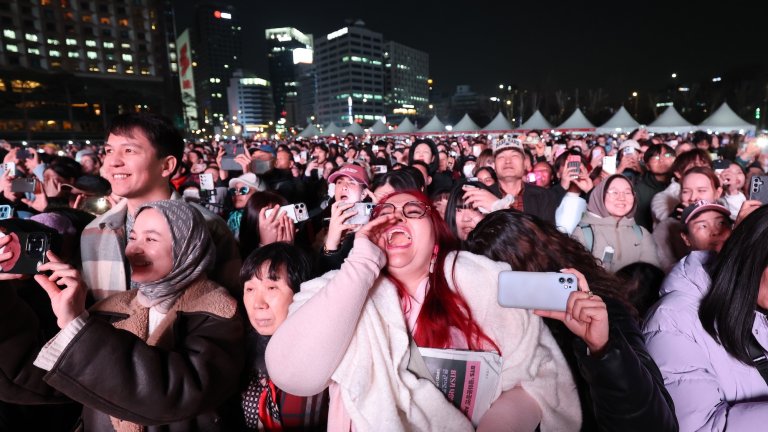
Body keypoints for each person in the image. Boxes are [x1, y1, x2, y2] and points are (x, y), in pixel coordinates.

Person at [266, 190, 581, 431]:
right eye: (385, 213)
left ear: (435, 238)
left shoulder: (483, 279)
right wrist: (361, 264)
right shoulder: (337, 288)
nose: (397, 218)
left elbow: (538, 373)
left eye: (412, 211)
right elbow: (293, 375)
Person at [0, 200, 245, 430]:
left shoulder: (218, 312)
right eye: (133, 237)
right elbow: (39, 379)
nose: (134, 249)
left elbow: (177, 393)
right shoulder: (114, 307)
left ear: (187, 247)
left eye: (151, 239)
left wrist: (76, 324)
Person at [465, 210, 677, 432]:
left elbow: (657, 426)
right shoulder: (487, 330)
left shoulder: (600, 312)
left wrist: (602, 349)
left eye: (519, 273)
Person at [80, 112, 241, 300]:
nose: (113, 162)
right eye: (109, 151)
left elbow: (231, 305)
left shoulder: (209, 226)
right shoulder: (93, 232)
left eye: (129, 150)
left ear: (166, 165)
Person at [643, 205, 768, 431]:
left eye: (721, 223)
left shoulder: (760, 302)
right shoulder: (671, 320)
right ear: (752, 256)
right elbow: (701, 426)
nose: (713, 231)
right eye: (702, 225)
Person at [231, 243, 327, 430]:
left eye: (272, 288)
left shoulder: (314, 361)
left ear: (301, 291)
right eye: (250, 289)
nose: (258, 303)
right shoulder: (240, 346)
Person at [572, 174, 659, 273]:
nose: (621, 198)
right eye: (614, 192)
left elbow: (650, 275)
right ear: (600, 195)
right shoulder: (583, 233)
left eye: (627, 192)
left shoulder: (641, 234)